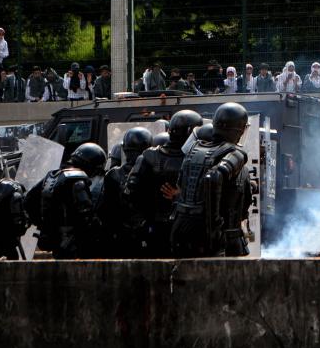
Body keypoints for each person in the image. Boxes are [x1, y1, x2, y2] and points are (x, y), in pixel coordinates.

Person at [170, 103, 251, 257]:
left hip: (181, 230)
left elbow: (181, 186)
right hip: (215, 236)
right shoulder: (235, 153)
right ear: (239, 130)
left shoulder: (193, 149)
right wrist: (214, 226)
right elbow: (214, 177)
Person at [124, 109, 202, 256]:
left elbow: (130, 193)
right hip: (177, 228)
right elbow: (131, 192)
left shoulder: (148, 156)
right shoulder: (197, 159)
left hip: (161, 227)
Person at [25, 143, 107, 259]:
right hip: (74, 246)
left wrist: (45, 226)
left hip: (54, 242)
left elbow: (28, 202)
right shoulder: (77, 180)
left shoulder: (52, 176)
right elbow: (86, 215)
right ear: (90, 166)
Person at [99, 126, 153, 257]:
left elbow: (106, 210)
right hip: (145, 232)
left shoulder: (112, 174)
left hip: (119, 234)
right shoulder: (151, 172)